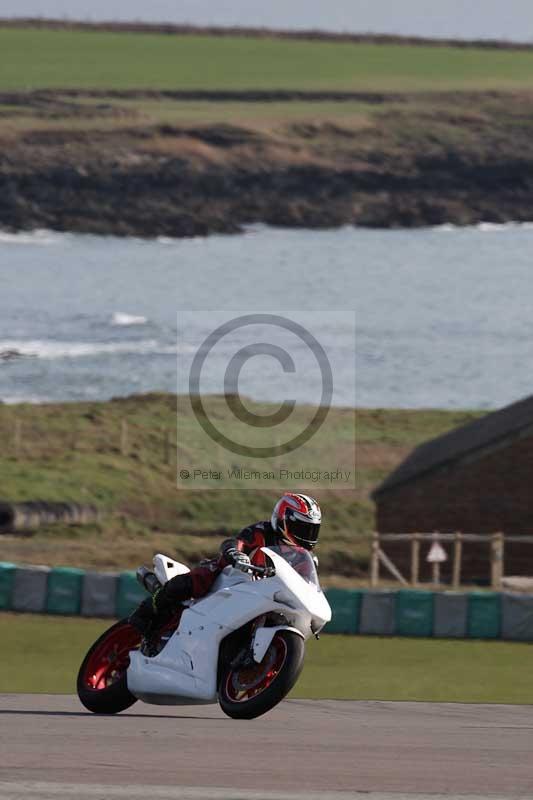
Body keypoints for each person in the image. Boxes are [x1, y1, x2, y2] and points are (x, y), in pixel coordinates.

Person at [129, 492, 322, 636]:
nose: (307, 536)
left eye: (311, 530)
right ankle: (146, 610)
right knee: (199, 579)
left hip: (267, 595)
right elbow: (237, 543)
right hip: (235, 577)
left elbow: (307, 586)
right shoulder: (262, 531)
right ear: (283, 520)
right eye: (302, 528)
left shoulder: (304, 559)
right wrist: (235, 553)